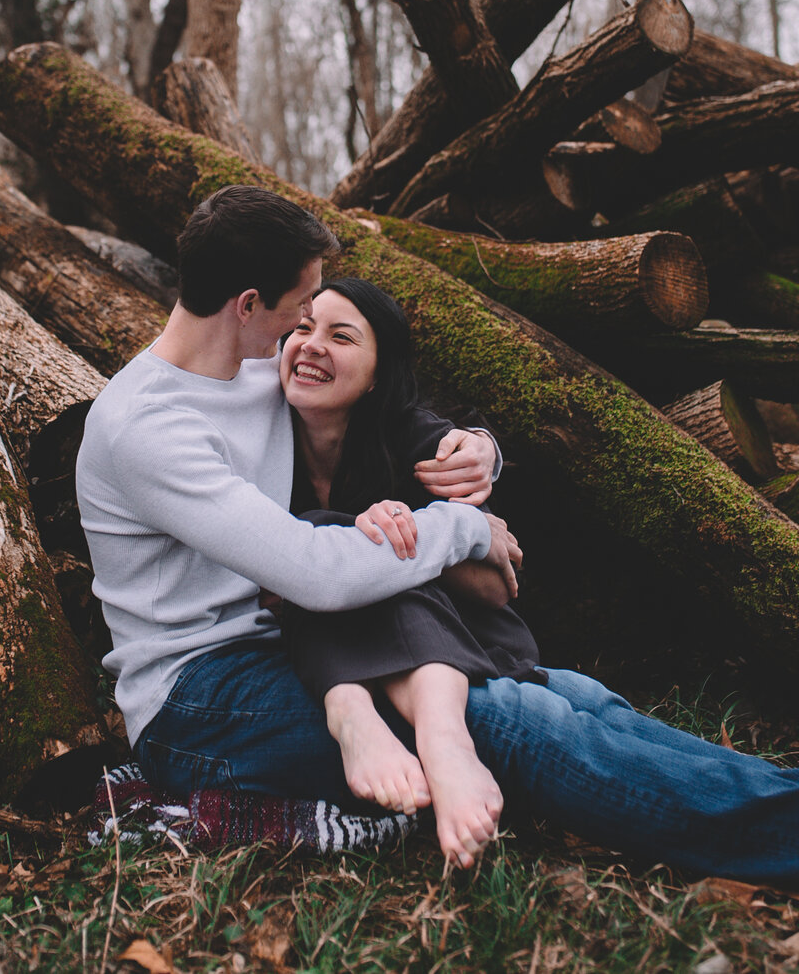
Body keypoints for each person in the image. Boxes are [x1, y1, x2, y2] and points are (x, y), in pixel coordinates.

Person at [78, 184, 799, 887]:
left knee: (565, 692)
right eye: (299, 310)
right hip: (202, 700)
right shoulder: (148, 427)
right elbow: (316, 571)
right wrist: (462, 527)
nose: (304, 333)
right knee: (506, 722)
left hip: (299, 643)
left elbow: (384, 404)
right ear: (247, 306)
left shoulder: (254, 362)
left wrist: (479, 448)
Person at [281, 276, 544, 866]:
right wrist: (354, 537)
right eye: (301, 328)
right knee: (320, 546)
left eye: (341, 336)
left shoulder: (417, 441)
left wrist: (402, 542)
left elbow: (498, 588)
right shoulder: (259, 433)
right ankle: (350, 713)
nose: (312, 344)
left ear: (376, 375)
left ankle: (444, 743)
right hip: (324, 636)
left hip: (454, 638)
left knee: (348, 546)